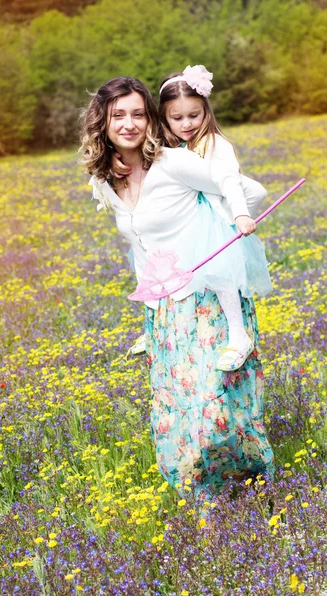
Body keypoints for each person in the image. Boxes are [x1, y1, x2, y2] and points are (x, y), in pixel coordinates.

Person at [80, 75, 274, 504]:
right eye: (118, 115)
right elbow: (140, 246)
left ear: (150, 119)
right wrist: (148, 306)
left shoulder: (171, 162)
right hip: (165, 310)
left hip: (207, 300)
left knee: (216, 403)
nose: (129, 124)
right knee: (179, 406)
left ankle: (252, 486)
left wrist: (233, 224)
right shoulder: (105, 179)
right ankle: (201, 495)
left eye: (137, 114)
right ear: (104, 122)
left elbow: (240, 185)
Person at [116, 66, 271, 369]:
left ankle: (238, 336)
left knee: (220, 278)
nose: (186, 124)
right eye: (177, 118)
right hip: (190, 225)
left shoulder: (214, 143)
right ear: (163, 118)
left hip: (215, 225)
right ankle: (152, 328)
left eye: (194, 116)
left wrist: (236, 216)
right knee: (150, 259)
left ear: (206, 112)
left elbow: (247, 188)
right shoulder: (173, 148)